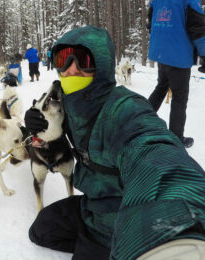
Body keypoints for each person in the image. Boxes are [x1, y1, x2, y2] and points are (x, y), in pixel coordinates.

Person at [24, 26, 205, 260]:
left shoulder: (124, 108)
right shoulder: (68, 102)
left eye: (82, 60)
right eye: (62, 59)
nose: (71, 69)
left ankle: (110, 247)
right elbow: (55, 118)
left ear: (102, 64)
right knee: (40, 231)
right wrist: (37, 119)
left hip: (125, 217)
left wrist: (176, 231)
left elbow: (156, 153)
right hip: (93, 205)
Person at [147, 0, 205, 148]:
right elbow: (199, 31)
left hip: (162, 52)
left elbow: (150, 25)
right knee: (179, 97)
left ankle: (141, 120)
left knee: (161, 87)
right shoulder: (190, 1)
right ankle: (176, 138)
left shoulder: (156, 1)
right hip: (179, 56)